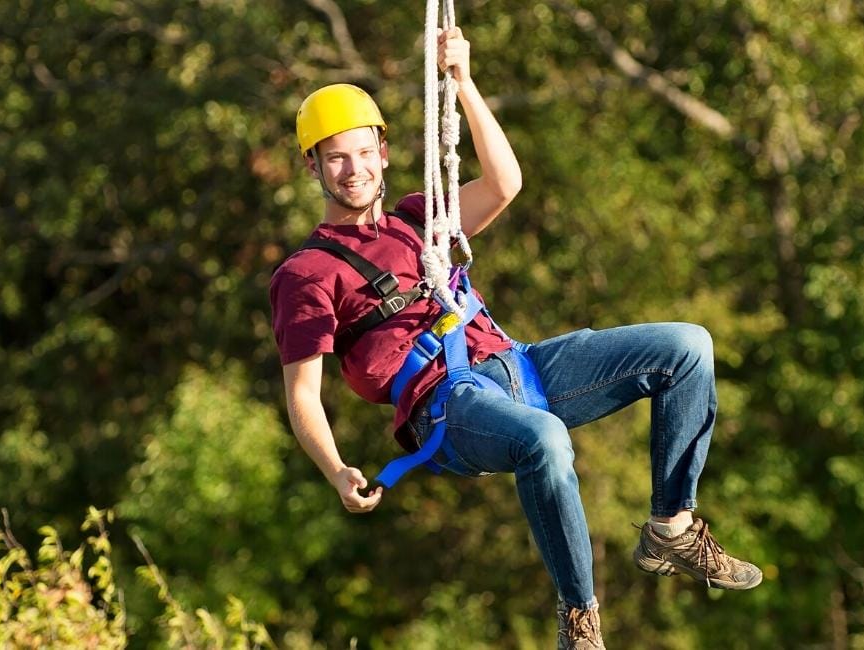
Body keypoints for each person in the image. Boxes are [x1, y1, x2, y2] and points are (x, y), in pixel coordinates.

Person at [268, 27, 762, 649]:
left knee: (687, 347)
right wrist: (336, 469)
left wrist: (465, 84)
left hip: (515, 365)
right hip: (447, 409)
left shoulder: (421, 217)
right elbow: (303, 396)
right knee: (546, 440)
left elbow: (504, 184)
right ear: (312, 165)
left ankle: (671, 527)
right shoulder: (306, 274)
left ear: (385, 153)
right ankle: (579, 619)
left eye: (364, 152)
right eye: (336, 157)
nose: (354, 169)